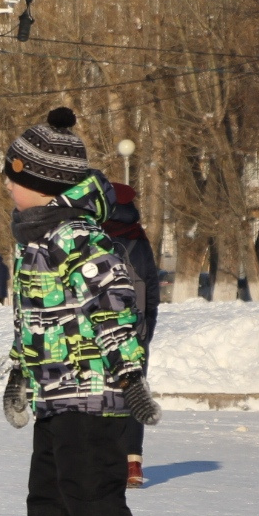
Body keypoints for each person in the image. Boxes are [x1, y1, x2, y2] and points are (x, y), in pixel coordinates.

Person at [0, 110, 173, 516]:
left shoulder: (77, 236)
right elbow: (36, 317)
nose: (6, 182)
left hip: (94, 397)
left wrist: (129, 373)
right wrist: (21, 374)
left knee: (94, 505)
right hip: (56, 398)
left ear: (42, 184)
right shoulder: (35, 237)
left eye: (14, 174)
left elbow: (115, 303)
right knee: (48, 511)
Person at [105, 178, 161, 487]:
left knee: (100, 395)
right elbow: (151, 285)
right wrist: (147, 327)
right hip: (136, 331)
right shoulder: (139, 239)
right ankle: (133, 466)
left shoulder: (93, 237)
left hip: (99, 329)